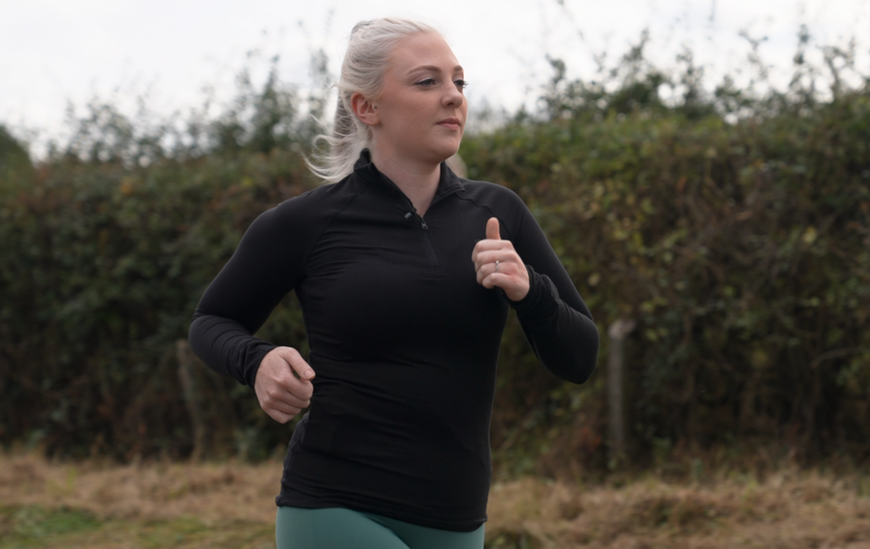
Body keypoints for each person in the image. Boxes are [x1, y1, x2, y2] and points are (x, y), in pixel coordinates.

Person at [188, 17, 599, 549]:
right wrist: (258, 360)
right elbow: (211, 321)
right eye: (428, 82)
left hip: (457, 518)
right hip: (335, 503)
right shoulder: (305, 224)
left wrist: (531, 291)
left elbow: (580, 359)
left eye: (459, 82)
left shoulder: (499, 212)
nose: (452, 97)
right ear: (367, 107)